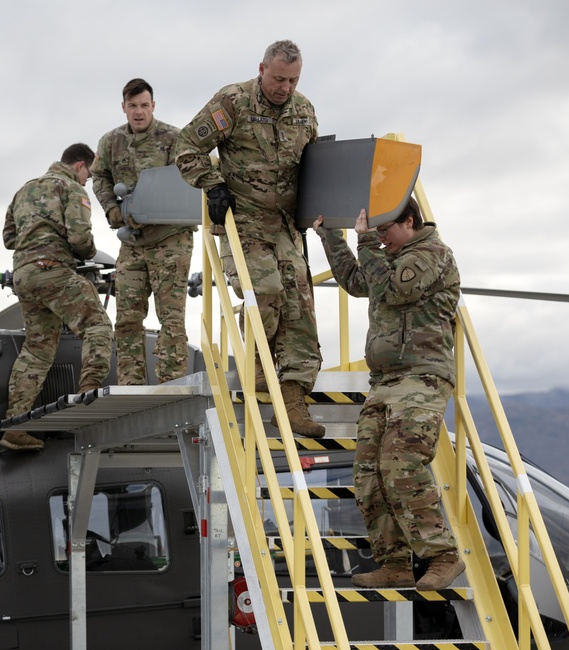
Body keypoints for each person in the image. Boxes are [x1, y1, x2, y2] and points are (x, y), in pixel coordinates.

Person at [174, 39, 323, 437]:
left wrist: (319, 209)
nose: (285, 88)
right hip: (245, 220)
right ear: (261, 69)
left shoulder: (304, 110)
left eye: (292, 80)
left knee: (301, 306)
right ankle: (256, 363)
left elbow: (315, 166)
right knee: (267, 292)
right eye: (278, 79)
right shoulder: (233, 101)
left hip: (287, 225)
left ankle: (293, 399)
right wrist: (212, 184)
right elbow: (186, 147)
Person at [313, 199, 465, 590]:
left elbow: (394, 290)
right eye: (376, 232)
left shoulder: (432, 254)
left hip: (421, 379)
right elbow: (357, 281)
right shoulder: (387, 259)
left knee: (402, 465)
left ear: (410, 220)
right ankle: (394, 562)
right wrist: (331, 234)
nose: (381, 239)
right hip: (384, 382)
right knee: (367, 475)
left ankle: (442, 555)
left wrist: (365, 242)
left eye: (385, 231)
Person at [0, 143, 114, 451]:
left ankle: (15, 426)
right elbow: (79, 237)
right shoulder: (71, 189)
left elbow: (9, 238)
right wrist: (88, 253)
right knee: (97, 325)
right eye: (88, 174)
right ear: (80, 166)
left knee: (37, 350)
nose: (87, 180)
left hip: (24, 276)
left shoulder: (25, 189)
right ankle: (89, 391)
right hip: (53, 271)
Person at [92, 78, 194, 385]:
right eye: (133, 106)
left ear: (153, 106)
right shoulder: (110, 143)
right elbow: (99, 177)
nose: (139, 112)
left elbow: (189, 178)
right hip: (133, 242)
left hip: (170, 238)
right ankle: (130, 383)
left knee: (171, 317)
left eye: (144, 106)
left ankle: (171, 382)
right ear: (123, 108)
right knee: (126, 317)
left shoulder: (173, 138)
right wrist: (112, 209)